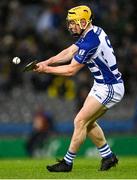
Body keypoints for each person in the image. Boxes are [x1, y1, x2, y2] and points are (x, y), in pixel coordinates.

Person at [34, 5, 125, 172]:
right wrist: (46, 62)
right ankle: (108, 157)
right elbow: (69, 51)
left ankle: (67, 163)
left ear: (84, 22)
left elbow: (71, 69)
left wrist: (46, 70)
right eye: (70, 23)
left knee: (80, 121)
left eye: (74, 23)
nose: (70, 26)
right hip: (101, 84)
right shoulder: (92, 31)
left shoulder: (91, 41)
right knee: (88, 123)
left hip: (110, 87)